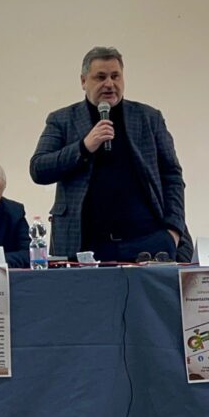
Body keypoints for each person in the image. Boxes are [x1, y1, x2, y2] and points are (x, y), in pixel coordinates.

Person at [30, 46, 189, 262]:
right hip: (84, 242)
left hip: (147, 239)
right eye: (100, 77)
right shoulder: (62, 120)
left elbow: (172, 175)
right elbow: (39, 168)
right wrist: (84, 147)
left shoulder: (148, 118)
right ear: (83, 81)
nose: (109, 84)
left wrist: (173, 230)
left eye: (115, 76)